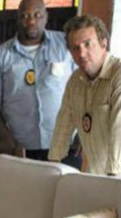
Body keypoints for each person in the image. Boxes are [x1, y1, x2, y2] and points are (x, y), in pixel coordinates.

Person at [0, 0, 75, 160]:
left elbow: (87, 88)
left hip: (65, 145)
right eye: (25, 16)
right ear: (18, 19)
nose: (31, 21)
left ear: (46, 17)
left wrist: (82, 137)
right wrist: (10, 143)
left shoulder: (66, 46)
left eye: (37, 15)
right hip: (21, 149)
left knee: (68, 187)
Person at [48, 15, 121, 176]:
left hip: (115, 175)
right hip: (98, 173)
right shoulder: (75, 81)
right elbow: (63, 126)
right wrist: (52, 168)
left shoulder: (118, 75)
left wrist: (112, 178)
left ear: (103, 44)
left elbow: (119, 130)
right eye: (75, 48)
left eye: (88, 44)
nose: (81, 53)